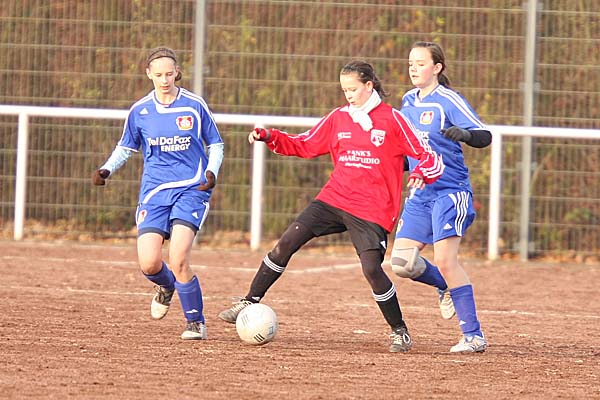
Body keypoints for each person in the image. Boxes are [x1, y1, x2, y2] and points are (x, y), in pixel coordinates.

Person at [217, 60, 444, 353]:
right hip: (334, 198)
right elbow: (304, 144)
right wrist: (271, 137)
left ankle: (399, 331)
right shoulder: (339, 118)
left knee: (372, 269)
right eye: (344, 90)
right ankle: (249, 301)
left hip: (372, 208)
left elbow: (428, 155)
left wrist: (420, 173)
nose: (348, 95)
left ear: (369, 86)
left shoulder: (393, 119)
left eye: (353, 89)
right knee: (285, 243)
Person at [92, 46, 224, 340]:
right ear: (148, 74)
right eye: (159, 75)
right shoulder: (140, 111)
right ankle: (166, 285)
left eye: (169, 74)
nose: (165, 80)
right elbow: (126, 147)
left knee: (178, 258)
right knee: (149, 263)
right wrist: (106, 169)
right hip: (154, 192)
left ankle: (195, 323)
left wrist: (211, 172)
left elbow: (216, 143)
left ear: (177, 73)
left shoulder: (193, 105)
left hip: (192, 188)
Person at [390, 41, 492, 353]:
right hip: (420, 193)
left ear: (437, 68)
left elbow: (484, 135)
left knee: (446, 260)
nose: (413, 69)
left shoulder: (448, 100)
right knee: (402, 263)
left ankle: (474, 336)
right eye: (411, 63)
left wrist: (465, 135)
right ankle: (444, 285)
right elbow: (408, 148)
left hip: (450, 191)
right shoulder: (408, 101)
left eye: (420, 63)